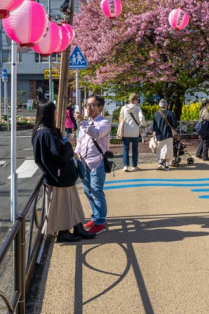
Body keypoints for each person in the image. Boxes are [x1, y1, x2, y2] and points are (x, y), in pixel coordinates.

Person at [31, 101, 95, 243]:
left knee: (71, 203)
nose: (56, 113)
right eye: (54, 111)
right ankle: (64, 232)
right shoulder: (47, 133)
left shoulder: (40, 131)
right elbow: (58, 154)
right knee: (64, 205)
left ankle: (76, 227)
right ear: (49, 113)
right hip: (59, 175)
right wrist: (67, 145)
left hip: (56, 174)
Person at [76, 95, 112, 235]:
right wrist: (77, 151)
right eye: (87, 105)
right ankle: (95, 216)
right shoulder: (86, 122)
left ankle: (100, 222)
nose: (88, 108)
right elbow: (80, 140)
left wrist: (82, 122)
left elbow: (96, 134)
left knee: (96, 191)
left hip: (97, 162)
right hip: (84, 162)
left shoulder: (104, 123)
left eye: (92, 105)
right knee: (87, 191)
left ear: (100, 107)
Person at [118, 93, 146, 172]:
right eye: (137, 100)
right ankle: (134, 166)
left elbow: (120, 118)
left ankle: (125, 166)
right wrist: (143, 125)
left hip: (126, 132)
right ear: (134, 100)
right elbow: (141, 118)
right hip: (135, 132)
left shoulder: (123, 108)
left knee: (125, 149)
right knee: (135, 149)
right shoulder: (137, 109)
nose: (137, 101)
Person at [151, 99, 179, 170]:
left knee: (160, 149)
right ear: (166, 105)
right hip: (168, 134)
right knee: (168, 150)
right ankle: (166, 165)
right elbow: (175, 124)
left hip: (159, 135)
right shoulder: (170, 113)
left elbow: (154, 126)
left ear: (159, 105)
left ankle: (160, 163)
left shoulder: (156, 114)